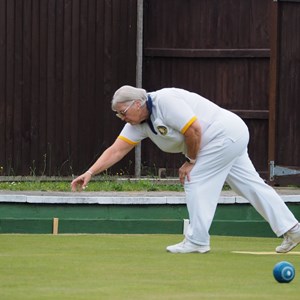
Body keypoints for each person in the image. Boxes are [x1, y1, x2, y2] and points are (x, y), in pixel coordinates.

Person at [71, 85, 300, 254]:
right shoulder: (138, 123)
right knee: (250, 186)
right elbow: (116, 151)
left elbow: (194, 130)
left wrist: (191, 160)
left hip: (223, 134)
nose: (121, 118)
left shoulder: (165, 101)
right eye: (118, 114)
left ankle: (198, 240)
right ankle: (292, 229)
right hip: (227, 138)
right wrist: (90, 172)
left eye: (123, 112)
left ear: (137, 104)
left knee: (194, 177)